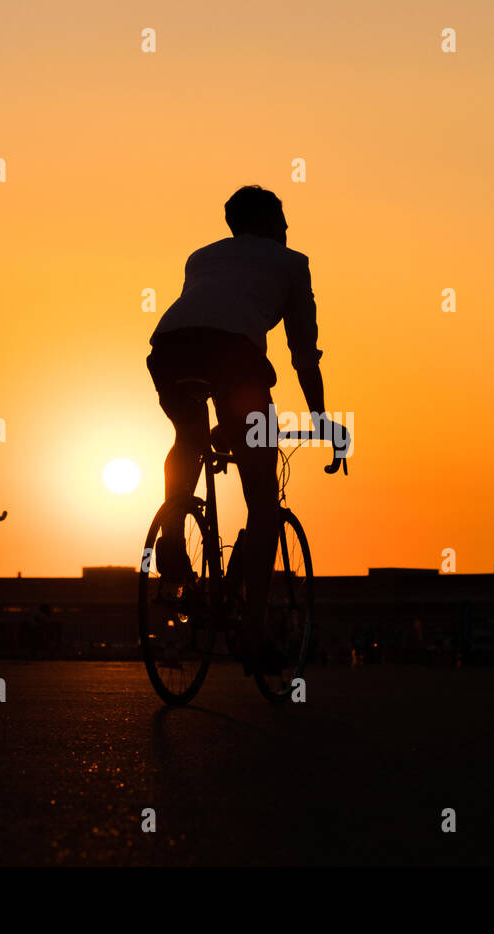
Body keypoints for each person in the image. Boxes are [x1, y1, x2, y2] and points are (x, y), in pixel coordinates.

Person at [146, 185, 345, 676]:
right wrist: (322, 420)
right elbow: (303, 353)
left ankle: (172, 531)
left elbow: (209, 315)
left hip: (170, 347)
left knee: (188, 438)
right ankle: (252, 635)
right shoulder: (293, 264)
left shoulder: (202, 256)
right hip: (236, 362)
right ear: (275, 223)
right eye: (283, 219)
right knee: (263, 504)